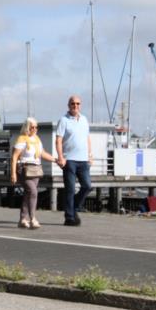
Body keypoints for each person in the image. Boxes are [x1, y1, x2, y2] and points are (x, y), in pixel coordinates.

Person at [55, 95, 93, 226]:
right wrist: (60, 157)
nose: (75, 106)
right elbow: (58, 140)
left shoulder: (84, 119)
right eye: (73, 104)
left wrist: (90, 155)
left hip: (83, 160)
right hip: (69, 160)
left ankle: (74, 207)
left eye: (77, 104)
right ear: (68, 105)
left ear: (80, 105)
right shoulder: (63, 120)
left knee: (87, 186)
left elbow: (87, 138)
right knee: (70, 189)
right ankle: (69, 217)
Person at [10, 118, 55, 229]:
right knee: (33, 192)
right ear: (27, 127)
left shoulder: (37, 139)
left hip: (36, 169)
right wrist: (13, 173)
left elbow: (42, 153)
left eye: (36, 127)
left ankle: (22, 219)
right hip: (24, 169)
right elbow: (14, 157)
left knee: (28, 194)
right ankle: (33, 219)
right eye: (32, 127)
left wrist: (55, 160)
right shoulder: (22, 139)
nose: (34, 129)